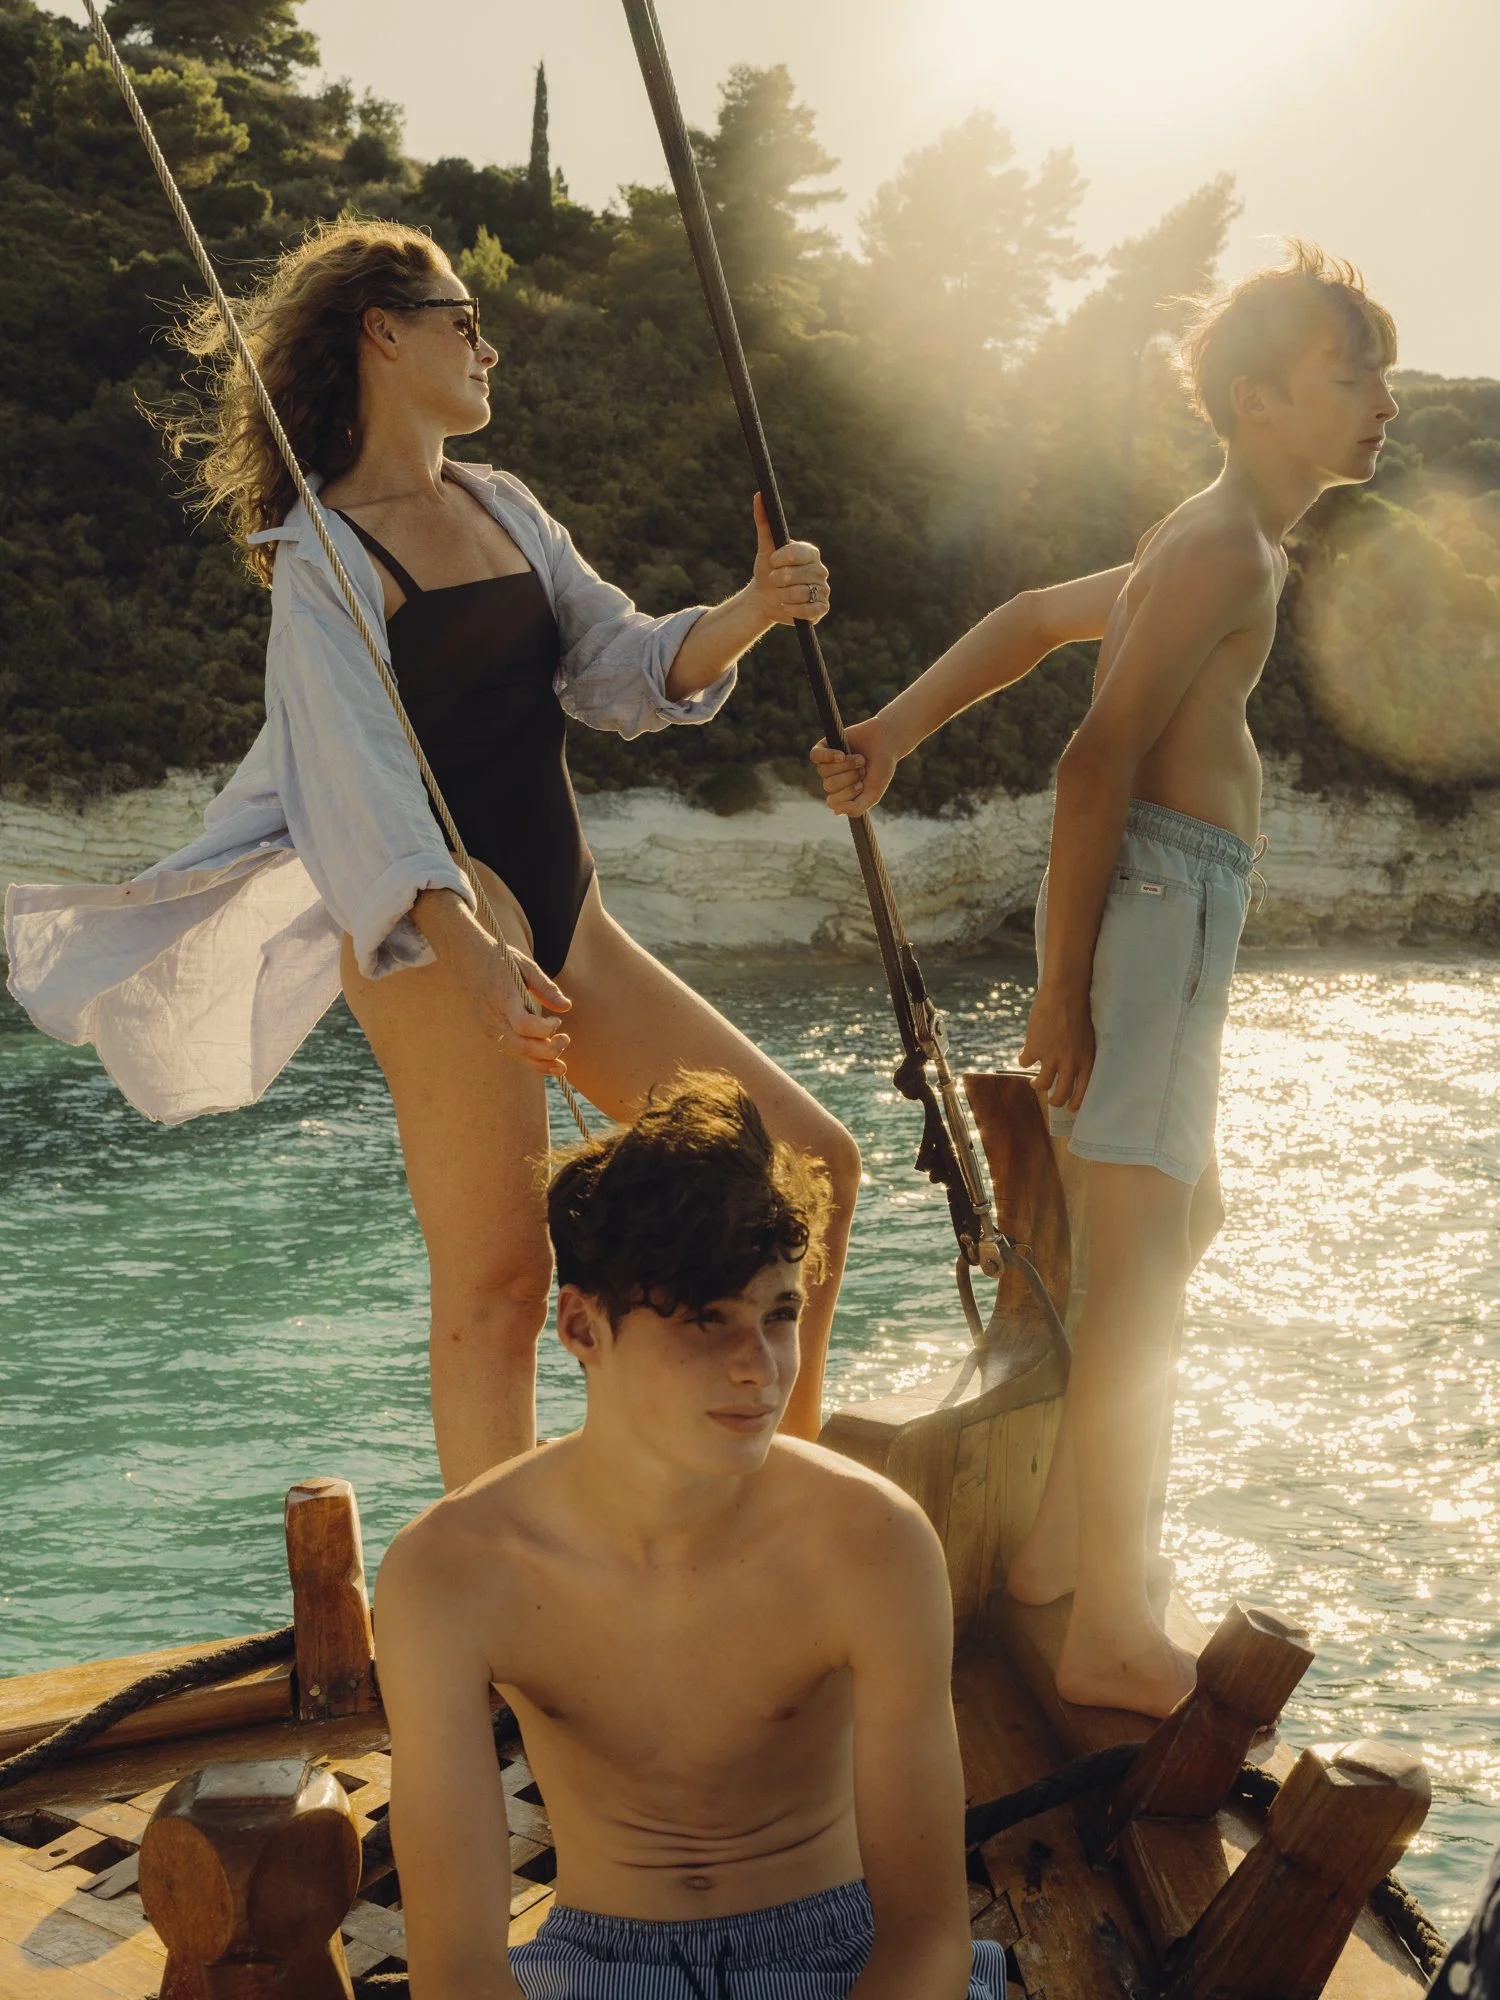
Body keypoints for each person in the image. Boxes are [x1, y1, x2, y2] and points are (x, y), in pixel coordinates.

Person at [4, 217, 861, 1488]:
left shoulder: (500, 501)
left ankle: (782, 1520)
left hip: (570, 924)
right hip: (437, 942)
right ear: (383, 332)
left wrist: (750, 610)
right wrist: (471, 951)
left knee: (812, 1168)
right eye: (465, 318)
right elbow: (355, 788)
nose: (490, 344)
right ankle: (503, 1593)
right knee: (502, 1284)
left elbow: (616, 666)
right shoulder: (323, 558)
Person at [812, 242, 1398, 1717]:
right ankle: (1110, 1626)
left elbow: (1024, 627)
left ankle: (1063, 1553)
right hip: (1153, 916)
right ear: (1260, 400)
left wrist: (889, 729)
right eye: (1352, 376)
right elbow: (1092, 765)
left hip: (1168, 921)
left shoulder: (1211, 536)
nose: (1383, 399)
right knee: (1141, 1295)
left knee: (1183, 1219)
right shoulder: (1221, 548)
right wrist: (1062, 994)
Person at [375, 1071, 1006, 2000]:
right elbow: (460, 1971)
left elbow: (923, 1939)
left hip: (840, 1955)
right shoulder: (449, 1574)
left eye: (778, 1314)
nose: (759, 1369)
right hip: (592, 1964)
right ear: (583, 1325)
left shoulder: (872, 1543)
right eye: (707, 1321)